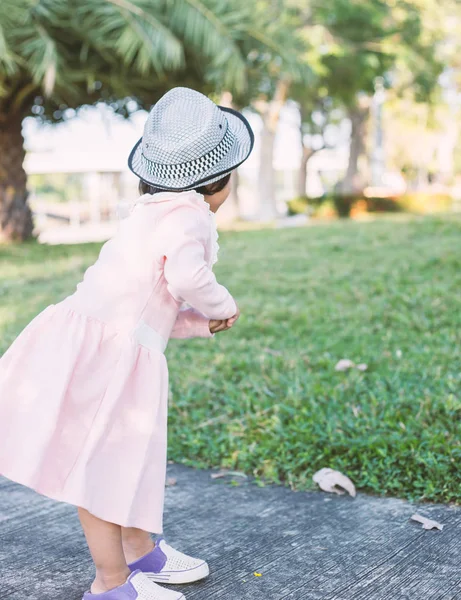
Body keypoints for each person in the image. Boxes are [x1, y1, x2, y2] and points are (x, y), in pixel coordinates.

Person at [0, 87, 254, 600]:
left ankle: (140, 550)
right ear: (218, 179)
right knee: (102, 464)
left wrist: (198, 325)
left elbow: (149, 309)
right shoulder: (186, 217)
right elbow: (185, 277)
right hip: (107, 358)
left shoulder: (153, 212)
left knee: (130, 457)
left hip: (109, 346)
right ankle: (111, 584)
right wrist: (220, 306)